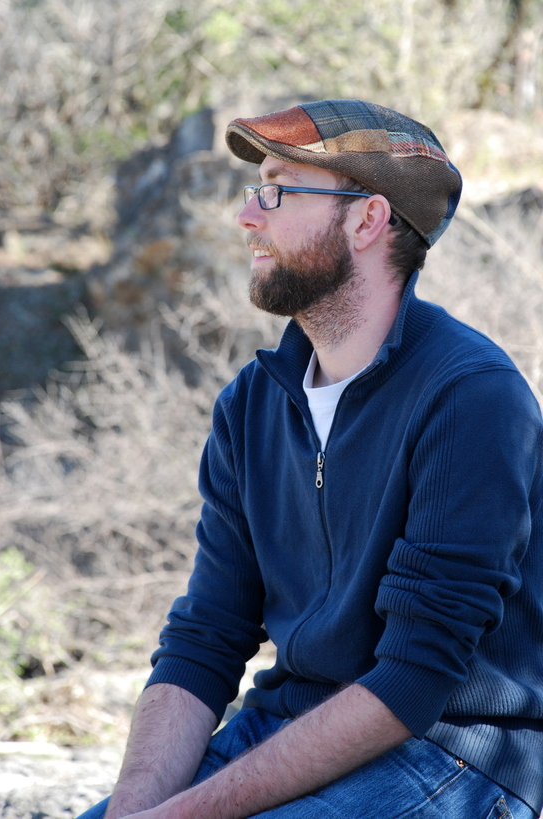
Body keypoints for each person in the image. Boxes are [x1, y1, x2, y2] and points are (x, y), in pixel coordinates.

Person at [80, 100, 543, 819]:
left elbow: (414, 681)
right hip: (285, 728)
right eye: (253, 189)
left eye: (278, 189)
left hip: (450, 753)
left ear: (368, 220)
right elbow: (206, 638)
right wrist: (131, 812)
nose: (247, 217)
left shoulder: (471, 398)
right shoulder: (253, 405)